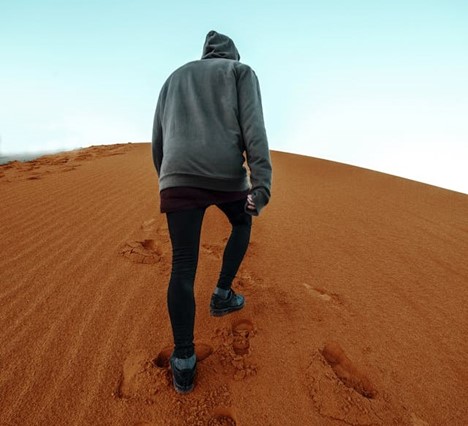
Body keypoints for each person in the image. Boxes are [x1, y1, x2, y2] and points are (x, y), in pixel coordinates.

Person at [152, 30, 272, 394]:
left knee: (183, 264)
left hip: (177, 176)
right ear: (231, 54)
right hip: (224, 175)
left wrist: (167, 178)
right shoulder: (240, 72)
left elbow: (158, 136)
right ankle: (222, 295)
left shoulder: (174, 77)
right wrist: (261, 184)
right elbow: (254, 127)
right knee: (242, 220)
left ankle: (184, 360)